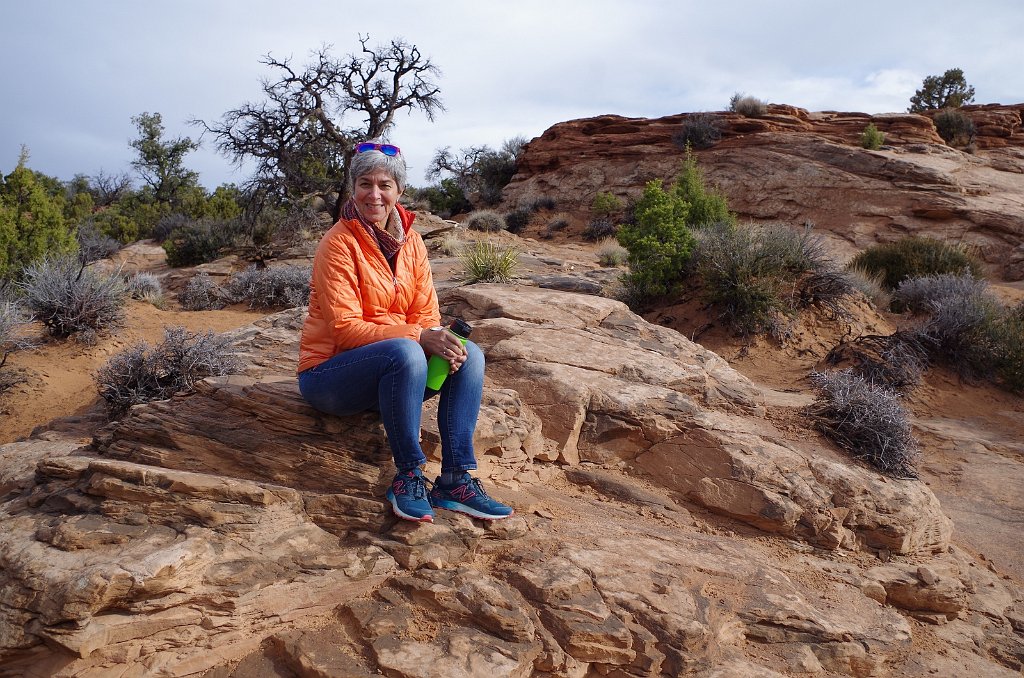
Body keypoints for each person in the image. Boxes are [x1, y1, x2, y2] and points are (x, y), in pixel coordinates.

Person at [297, 140, 513, 523]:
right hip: (331, 378)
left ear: (400, 191)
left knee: (469, 354)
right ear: (352, 188)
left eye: (385, 185)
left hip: (393, 377)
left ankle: (454, 479)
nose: (374, 194)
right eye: (365, 183)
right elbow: (346, 330)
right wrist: (419, 336)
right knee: (408, 350)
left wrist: (438, 338)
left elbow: (426, 313)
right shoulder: (338, 244)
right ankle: (409, 476)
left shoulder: (411, 242)